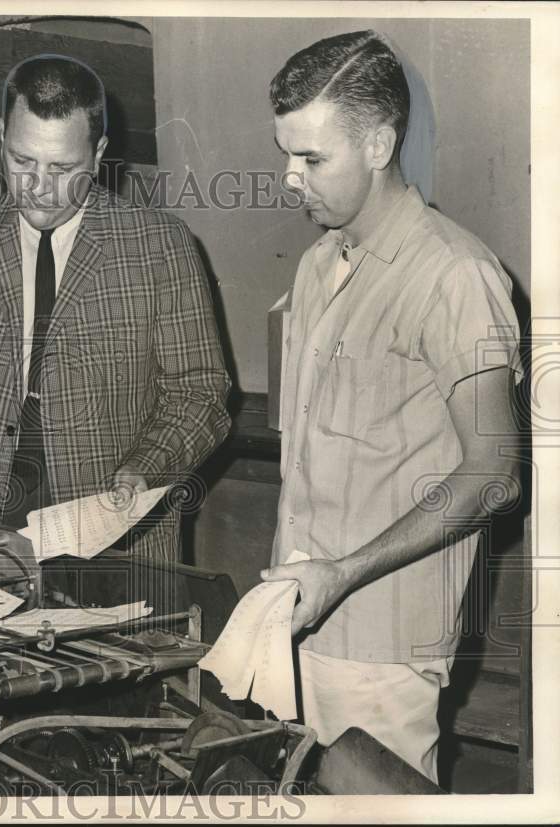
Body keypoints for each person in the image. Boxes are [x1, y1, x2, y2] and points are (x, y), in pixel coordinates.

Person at [261, 31, 522, 782]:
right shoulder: (315, 266)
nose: (289, 178)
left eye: (312, 159)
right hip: (294, 622)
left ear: (379, 144)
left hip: (383, 646)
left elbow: (496, 475)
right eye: (287, 154)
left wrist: (343, 571)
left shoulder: (456, 276)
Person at [0, 55, 230, 574]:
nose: (39, 189)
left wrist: (147, 467)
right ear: (3, 134)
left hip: (115, 543)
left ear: (98, 153)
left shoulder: (160, 246)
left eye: (62, 169)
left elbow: (201, 394)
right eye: (21, 161)